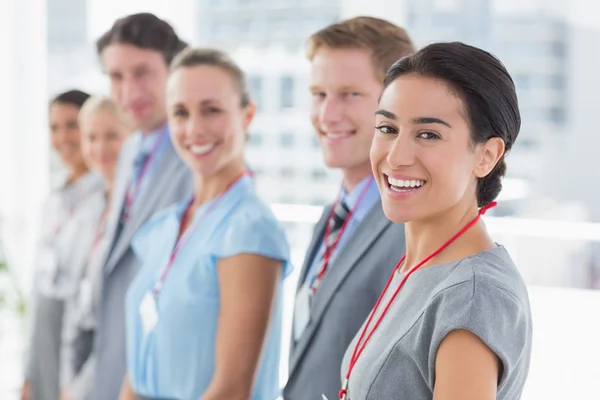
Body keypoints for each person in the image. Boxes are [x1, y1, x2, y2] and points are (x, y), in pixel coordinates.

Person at [339, 42, 533, 400]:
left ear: (486, 155)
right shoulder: (422, 266)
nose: (396, 157)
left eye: (428, 134)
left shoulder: (471, 296)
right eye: (387, 128)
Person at [119, 47, 292, 400]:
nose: (194, 129)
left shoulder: (249, 230)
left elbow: (230, 390)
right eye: (180, 113)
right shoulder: (164, 226)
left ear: (247, 115)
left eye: (211, 110)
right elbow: (137, 371)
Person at [284, 17, 414, 400]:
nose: (327, 115)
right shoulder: (331, 217)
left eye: (349, 95)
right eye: (319, 94)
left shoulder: (410, 229)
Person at [92, 13, 193, 400]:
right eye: (115, 77)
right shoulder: (131, 147)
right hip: (113, 366)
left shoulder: (195, 155)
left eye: (142, 73)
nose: (128, 91)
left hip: (156, 380)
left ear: (173, 70)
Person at [22, 90, 106, 400]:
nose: (62, 137)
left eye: (72, 125)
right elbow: (38, 287)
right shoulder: (53, 201)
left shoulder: (105, 198)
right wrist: (28, 373)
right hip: (45, 336)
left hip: (76, 342)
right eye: (54, 127)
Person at [60, 95, 131, 400]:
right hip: (80, 362)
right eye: (91, 137)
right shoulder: (91, 207)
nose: (100, 148)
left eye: (112, 136)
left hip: (113, 370)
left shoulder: (136, 211)